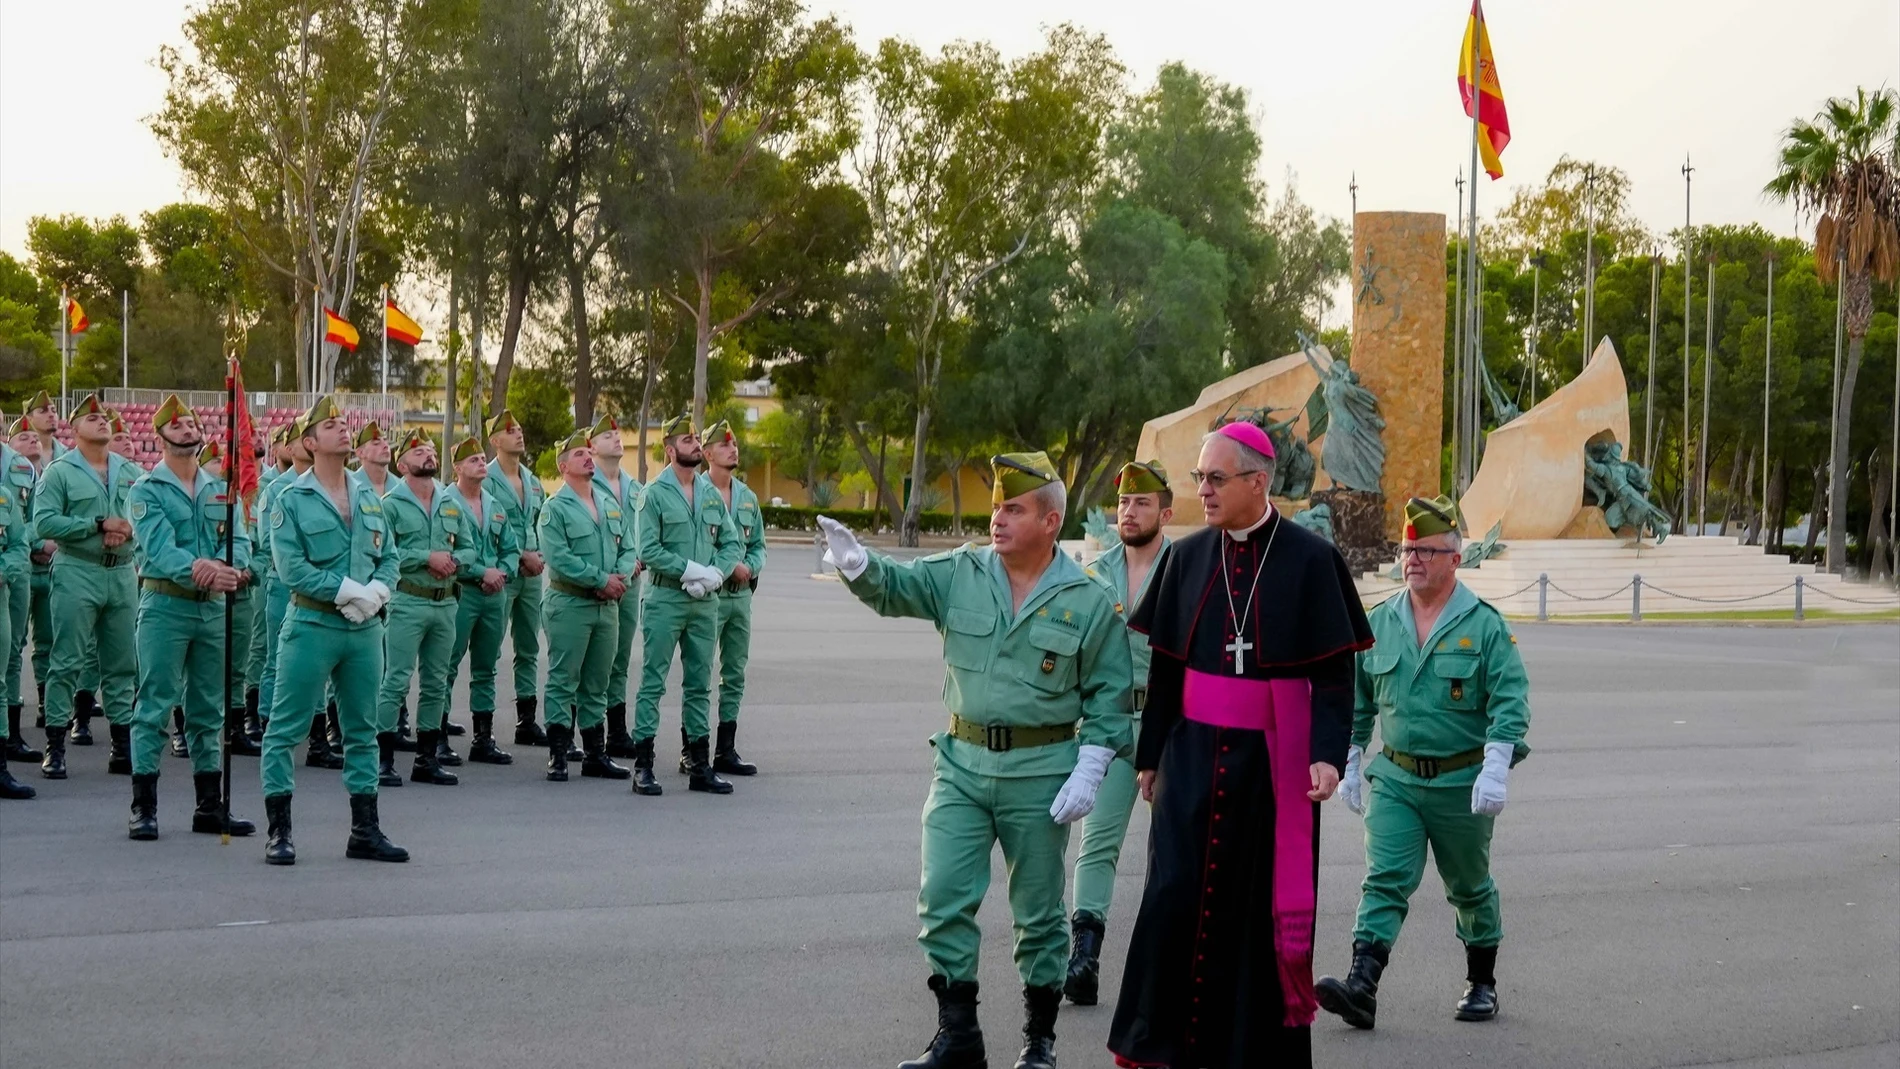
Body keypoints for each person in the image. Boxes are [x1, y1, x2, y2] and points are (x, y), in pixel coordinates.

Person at [816, 451, 1133, 1069]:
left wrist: (1093, 762)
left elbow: (1109, 692)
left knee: (1039, 916)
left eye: (1013, 509)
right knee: (942, 898)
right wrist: (858, 565)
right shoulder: (964, 571)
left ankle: (1039, 1041)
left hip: (1041, 771)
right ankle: (958, 1035)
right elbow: (898, 587)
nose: (998, 519)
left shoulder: (1089, 599)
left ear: (1050, 521)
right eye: (995, 508)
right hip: (960, 764)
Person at [1106, 421, 1374, 1069]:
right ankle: (1161, 1045)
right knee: (1173, 895)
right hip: (1190, 758)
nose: (1203, 490)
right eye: (1199, 477)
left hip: (1271, 768)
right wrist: (1149, 757)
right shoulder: (1187, 555)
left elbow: (1336, 673)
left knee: (1255, 913)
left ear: (1259, 480)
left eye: (1216, 478)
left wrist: (1328, 753)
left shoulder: (1312, 559)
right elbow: (1166, 664)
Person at [1315, 495, 1531, 1029]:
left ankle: (1482, 981)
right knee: (1384, 878)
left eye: (1426, 551)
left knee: (1469, 885)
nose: (1412, 559)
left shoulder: (1483, 626)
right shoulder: (1380, 621)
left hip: (1461, 780)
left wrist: (1497, 763)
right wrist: (1350, 754)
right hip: (1397, 778)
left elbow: (1510, 699)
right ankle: (1362, 984)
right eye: (1407, 549)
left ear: (1455, 559)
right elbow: (1360, 696)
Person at [258, 395, 406, 865]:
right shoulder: (290, 499)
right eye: (332, 425)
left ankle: (365, 830)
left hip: (363, 630)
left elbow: (390, 557)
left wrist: (378, 593)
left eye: (345, 423)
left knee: (362, 731)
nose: (344, 430)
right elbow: (291, 569)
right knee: (285, 730)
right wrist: (348, 590)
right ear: (308, 442)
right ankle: (279, 830)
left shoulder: (369, 496)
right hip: (312, 623)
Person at [1065, 459, 1174, 1006]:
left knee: (1173, 849)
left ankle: (1169, 963)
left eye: (1141, 503)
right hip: (1107, 726)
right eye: (1124, 503)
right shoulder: (1095, 570)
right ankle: (1084, 953)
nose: (1129, 512)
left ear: (1166, 512)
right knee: (1097, 843)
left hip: (1171, 729)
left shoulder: (1185, 567)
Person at [124, 396, 256, 839]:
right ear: (158, 436)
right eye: (175, 425)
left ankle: (209, 806)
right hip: (166, 605)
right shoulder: (146, 490)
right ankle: (144, 805)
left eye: (192, 424)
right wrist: (202, 569)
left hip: (212, 609)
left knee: (208, 708)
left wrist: (226, 569)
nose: (186, 429)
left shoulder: (222, 489)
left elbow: (240, 542)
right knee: (154, 702)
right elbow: (158, 550)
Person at [32, 393, 142, 779]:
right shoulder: (60, 472)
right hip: (78, 570)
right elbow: (45, 522)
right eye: (91, 418)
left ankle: (121, 744)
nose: (102, 422)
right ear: (74, 429)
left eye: (105, 418)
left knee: (123, 663)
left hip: (121, 571)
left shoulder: (130, 471)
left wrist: (127, 529)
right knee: (67, 660)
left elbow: (145, 518)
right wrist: (97, 525)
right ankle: (56, 744)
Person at [631, 415, 740, 796]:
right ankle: (643, 765)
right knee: (653, 681)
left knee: (699, 684)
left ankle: (699, 765)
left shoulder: (709, 493)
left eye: (696, 438)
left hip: (704, 602)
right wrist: (690, 569)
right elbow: (648, 550)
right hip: (665, 599)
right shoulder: (654, 493)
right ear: (670, 449)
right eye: (688, 440)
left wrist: (715, 574)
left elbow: (731, 543)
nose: (695, 444)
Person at [536, 431, 633, 783]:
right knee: (563, 678)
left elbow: (627, 546)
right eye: (579, 454)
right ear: (564, 467)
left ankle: (595, 754)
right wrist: (600, 579)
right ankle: (559, 754)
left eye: (588, 452)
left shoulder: (608, 503)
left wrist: (620, 575)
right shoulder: (554, 509)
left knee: (598, 681)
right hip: (570, 603)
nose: (588, 457)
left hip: (606, 607)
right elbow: (559, 558)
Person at [374, 430, 463, 787]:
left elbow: (471, 549)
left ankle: (426, 760)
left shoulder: (449, 502)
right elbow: (382, 553)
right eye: (418, 452)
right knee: (395, 680)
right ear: (402, 464)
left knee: (436, 682)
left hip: (445, 603)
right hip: (407, 600)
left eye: (429, 450)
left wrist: (454, 560)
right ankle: (381, 759)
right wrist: (428, 557)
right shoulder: (390, 505)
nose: (427, 456)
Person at [256, 423, 342, 771]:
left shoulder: (339, 488)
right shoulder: (278, 490)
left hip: (327, 589)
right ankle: (266, 726)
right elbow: (269, 545)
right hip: (286, 586)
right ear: (294, 448)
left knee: (321, 666)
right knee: (279, 660)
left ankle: (318, 740)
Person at [442, 436, 517, 765]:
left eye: (482, 459)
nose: (480, 463)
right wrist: (480, 572)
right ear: (457, 467)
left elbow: (511, 548)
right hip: (462, 592)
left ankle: (482, 739)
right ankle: (438, 735)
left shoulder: (494, 504)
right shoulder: (446, 502)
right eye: (472, 460)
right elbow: (446, 552)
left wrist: (501, 572)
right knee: (445, 665)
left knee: (486, 667)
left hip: (493, 595)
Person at [701, 420, 764, 776]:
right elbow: (695, 547)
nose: (733, 449)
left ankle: (726, 749)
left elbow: (758, 545)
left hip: (740, 598)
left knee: (734, 673)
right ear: (707, 454)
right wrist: (730, 568)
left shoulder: (747, 497)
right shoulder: (697, 492)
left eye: (735, 444)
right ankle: (692, 748)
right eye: (724, 446)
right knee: (700, 674)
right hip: (709, 596)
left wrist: (750, 567)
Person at [483, 410, 549, 747]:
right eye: (510, 431)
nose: (519, 434)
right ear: (495, 441)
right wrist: (520, 555)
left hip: (532, 575)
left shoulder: (533, 480)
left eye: (520, 429)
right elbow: (485, 525)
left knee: (528, 646)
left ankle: (526, 720)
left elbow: (539, 522)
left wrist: (537, 554)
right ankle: (484, 725)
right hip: (502, 572)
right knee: (490, 650)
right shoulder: (485, 479)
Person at [195, 440, 261, 759]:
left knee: (237, 666)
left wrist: (245, 568)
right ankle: (185, 727)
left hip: (242, 594)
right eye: (216, 468)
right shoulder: (203, 500)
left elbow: (262, 548)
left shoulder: (247, 503)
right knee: (197, 668)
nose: (224, 475)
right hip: (204, 593)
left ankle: (234, 728)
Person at [585, 415, 643, 758]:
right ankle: (581, 731)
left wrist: (637, 561)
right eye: (607, 436)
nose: (617, 439)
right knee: (588, 661)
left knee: (619, 657)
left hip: (630, 582)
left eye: (617, 434)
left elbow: (643, 533)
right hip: (598, 584)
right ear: (591, 447)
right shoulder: (586, 484)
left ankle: (617, 731)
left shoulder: (635, 488)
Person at [2, 419, 42, 767]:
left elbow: (31, 518)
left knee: (13, 650)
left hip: (13, 572)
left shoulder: (19, 466)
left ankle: (10, 735)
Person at [0, 418, 33, 800]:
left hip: (4, 588)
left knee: (6, 663)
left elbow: (19, 542)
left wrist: (4, 571)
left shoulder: (6, 496)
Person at [352, 421, 393, 497]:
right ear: (360, 453)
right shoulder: (350, 486)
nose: (385, 446)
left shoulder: (400, 487)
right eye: (376, 443)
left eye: (386, 441)